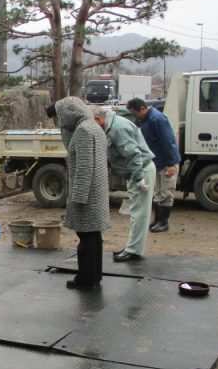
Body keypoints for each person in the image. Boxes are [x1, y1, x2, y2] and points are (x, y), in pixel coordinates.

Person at [47, 97, 110, 289]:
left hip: (87, 195)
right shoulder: (94, 127)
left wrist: (78, 198)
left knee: (86, 239)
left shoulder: (83, 131)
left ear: (70, 113)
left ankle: (85, 279)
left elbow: (84, 167)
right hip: (96, 192)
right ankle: (94, 275)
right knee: (94, 238)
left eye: (61, 117)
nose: (62, 122)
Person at [91, 106, 156, 262]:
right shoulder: (114, 125)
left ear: (99, 119)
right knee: (137, 212)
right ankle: (132, 247)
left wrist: (139, 179)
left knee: (139, 213)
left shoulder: (117, 128)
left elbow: (133, 154)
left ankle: (134, 251)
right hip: (138, 171)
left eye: (93, 124)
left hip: (140, 171)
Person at [125, 98, 181, 233]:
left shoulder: (157, 119)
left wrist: (170, 163)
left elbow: (167, 141)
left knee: (165, 192)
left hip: (166, 162)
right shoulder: (146, 119)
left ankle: (163, 222)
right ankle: (158, 220)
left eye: (135, 113)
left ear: (142, 109)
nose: (135, 116)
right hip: (159, 161)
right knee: (158, 192)